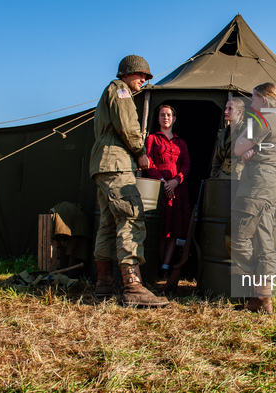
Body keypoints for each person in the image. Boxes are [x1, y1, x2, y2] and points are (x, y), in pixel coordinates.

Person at [89, 55, 169, 307]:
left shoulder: (110, 93)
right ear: (126, 73)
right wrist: (140, 152)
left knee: (108, 222)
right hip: (116, 163)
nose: (144, 80)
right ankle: (133, 286)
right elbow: (128, 125)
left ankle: (103, 283)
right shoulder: (121, 90)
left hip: (103, 165)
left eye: (146, 77)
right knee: (131, 214)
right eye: (141, 75)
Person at [230, 82, 276, 314]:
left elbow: (237, 148)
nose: (251, 104)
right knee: (264, 240)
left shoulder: (264, 118)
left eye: (253, 99)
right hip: (272, 182)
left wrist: (245, 153)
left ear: (263, 100)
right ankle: (262, 299)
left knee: (240, 238)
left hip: (258, 184)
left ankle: (260, 293)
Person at [145, 105, 191, 276]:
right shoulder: (152, 139)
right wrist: (163, 182)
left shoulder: (181, 142)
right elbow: (148, 161)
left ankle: (166, 265)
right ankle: (155, 264)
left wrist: (176, 181)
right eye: (162, 115)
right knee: (159, 227)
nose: (166, 117)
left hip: (178, 189)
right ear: (158, 118)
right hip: (157, 189)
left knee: (173, 229)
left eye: (169, 115)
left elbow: (187, 165)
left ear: (174, 119)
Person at [210, 98, 246, 180]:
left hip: (238, 178)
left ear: (239, 112)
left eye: (230, 109)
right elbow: (216, 161)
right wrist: (213, 178)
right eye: (226, 108)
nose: (226, 111)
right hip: (221, 178)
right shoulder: (222, 133)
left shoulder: (246, 131)